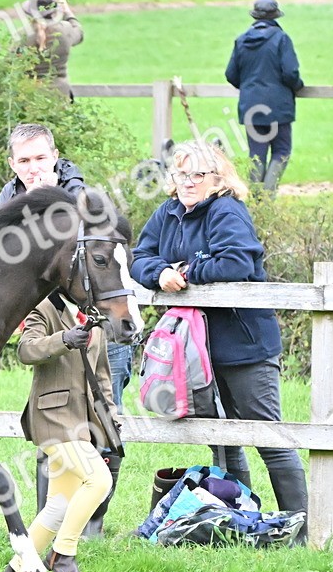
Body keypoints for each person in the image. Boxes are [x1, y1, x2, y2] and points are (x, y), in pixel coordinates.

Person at [130, 140, 308, 519]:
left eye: (198, 174)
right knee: (222, 441)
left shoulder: (227, 209)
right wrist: (159, 273)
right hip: (196, 353)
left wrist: (185, 271)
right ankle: (240, 518)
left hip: (244, 346)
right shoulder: (168, 212)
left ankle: (301, 527)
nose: (188, 182)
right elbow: (140, 257)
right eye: (181, 173)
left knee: (269, 438)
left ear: (217, 177)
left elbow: (235, 263)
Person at [0, 122, 129, 537]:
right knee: (54, 426)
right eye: (24, 160)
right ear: (12, 164)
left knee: (102, 423)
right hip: (48, 324)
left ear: (55, 157)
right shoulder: (8, 201)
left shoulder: (85, 200)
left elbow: (112, 259)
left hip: (95, 324)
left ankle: (91, 526)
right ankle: (49, 527)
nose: (33, 167)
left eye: (40, 157)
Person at [5, 291, 118, 572]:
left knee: (59, 504)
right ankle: (63, 554)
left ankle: (18, 564)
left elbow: (102, 374)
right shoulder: (42, 307)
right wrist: (64, 339)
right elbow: (26, 351)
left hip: (82, 422)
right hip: (52, 417)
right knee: (99, 480)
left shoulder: (93, 313)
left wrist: (111, 416)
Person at [225, 0, 303, 191]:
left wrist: (249, 89)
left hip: (251, 106)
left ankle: (255, 198)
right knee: (281, 151)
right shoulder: (281, 39)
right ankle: (268, 196)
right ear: (275, 16)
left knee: (256, 154)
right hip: (278, 107)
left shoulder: (241, 40)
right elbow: (290, 73)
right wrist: (297, 86)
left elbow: (231, 74)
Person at [17, 0, 83, 100]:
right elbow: (79, 33)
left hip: (30, 96)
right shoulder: (65, 30)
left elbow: (9, 65)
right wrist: (67, 12)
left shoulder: (22, 35)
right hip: (60, 94)